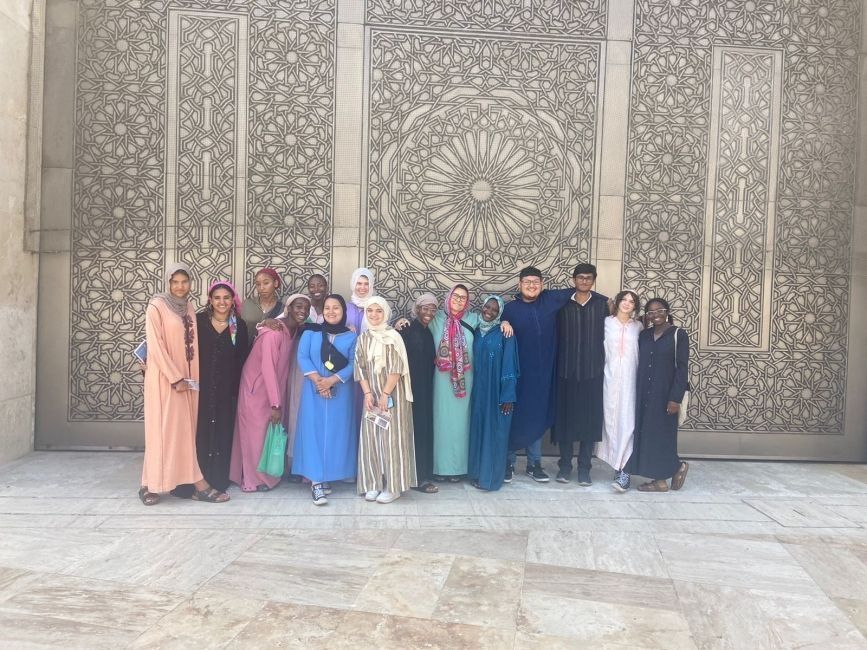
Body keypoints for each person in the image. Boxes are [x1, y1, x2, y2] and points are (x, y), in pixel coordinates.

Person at [140, 263, 229, 505]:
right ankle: (148, 484)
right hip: (165, 381)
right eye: (175, 281)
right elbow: (155, 345)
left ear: (191, 283)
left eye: (184, 281)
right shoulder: (156, 306)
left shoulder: (188, 307)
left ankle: (194, 482)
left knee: (185, 433)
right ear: (168, 283)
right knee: (162, 430)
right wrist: (174, 377)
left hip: (189, 382)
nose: (180, 286)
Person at [173, 281, 249, 499]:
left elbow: (242, 359)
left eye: (226, 297)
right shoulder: (197, 322)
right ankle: (191, 482)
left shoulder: (239, 326)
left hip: (226, 390)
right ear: (210, 300)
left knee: (222, 433)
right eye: (217, 298)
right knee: (198, 432)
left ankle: (216, 479)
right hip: (200, 388)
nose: (222, 302)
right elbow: (182, 350)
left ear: (232, 300)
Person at [501, 266, 573, 483]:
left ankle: (535, 464)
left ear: (542, 285)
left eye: (536, 282)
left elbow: (581, 287)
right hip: (518, 375)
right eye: (527, 282)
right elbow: (495, 325)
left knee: (537, 418)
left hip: (543, 376)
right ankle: (508, 463)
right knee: (513, 417)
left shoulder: (550, 301)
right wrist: (503, 322)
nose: (531, 286)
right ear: (519, 285)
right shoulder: (510, 309)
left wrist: (608, 302)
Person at [293, 294, 359, 505]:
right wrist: (319, 382)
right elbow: (303, 357)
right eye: (328, 308)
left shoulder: (351, 337)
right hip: (314, 391)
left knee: (335, 434)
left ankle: (329, 474)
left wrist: (331, 381)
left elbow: (353, 363)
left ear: (343, 312)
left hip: (340, 392)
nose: (331, 311)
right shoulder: (311, 332)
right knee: (314, 433)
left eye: (336, 308)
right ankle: (316, 482)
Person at [354, 297, 417, 503]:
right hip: (371, 396)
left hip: (392, 397)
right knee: (371, 438)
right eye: (370, 310)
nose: (373, 315)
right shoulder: (363, 337)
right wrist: (367, 393)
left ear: (386, 313)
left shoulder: (392, 337)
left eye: (378, 311)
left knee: (392, 441)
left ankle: (393, 486)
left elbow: (396, 368)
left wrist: (385, 394)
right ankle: (372, 483)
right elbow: (359, 367)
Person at [229, 295, 295, 492]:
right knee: (255, 435)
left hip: (271, 391)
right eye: (298, 307)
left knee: (265, 433)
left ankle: (264, 475)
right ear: (288, 309)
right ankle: (254, 480)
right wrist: (276, 404)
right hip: (256, 390)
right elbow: (267, 368)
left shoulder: (289, 330)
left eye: (306, 308)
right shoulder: (273, 334)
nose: (302, 311)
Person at [552, 264, 609, 486]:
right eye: (580, 277)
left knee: (589, 423)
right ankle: (565, 466)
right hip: (565, 372)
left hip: (592, 373)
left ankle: (585, 469)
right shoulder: (562, 303)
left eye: (588, 278)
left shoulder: (602, 304)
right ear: (573, 279)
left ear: (593, 280)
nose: (584, 281)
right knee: (565, 422)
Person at [626, 297, 690, 492]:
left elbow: (682, 368)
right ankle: (660, 479)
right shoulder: (644, 335)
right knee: (648, 434)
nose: (655, 315)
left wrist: (675, 398)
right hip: (644, 392)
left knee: (663, 435)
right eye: (651, 313)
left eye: (659, 311)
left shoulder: (679, 334)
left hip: (665, 394)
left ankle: (671, 471)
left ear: (667, 311)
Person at [467, 296, 519, 491]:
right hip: (478, 392)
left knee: (494, 435)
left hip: (496, 394)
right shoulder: (477, 331)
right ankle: (476, 473)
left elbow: (509, 366)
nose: (489, 311)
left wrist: (507, 396)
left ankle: (489, 480)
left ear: (500, 313)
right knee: (479, 432)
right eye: (487, 307)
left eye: (494, 309)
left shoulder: (505, 333)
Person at [595, 290, 642, 492]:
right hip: (609, 379)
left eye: (632, 301)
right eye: (624, 299)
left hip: (632, 382)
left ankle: (625, 470)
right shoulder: (605, 323)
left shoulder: (639, 327)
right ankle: (616, 464)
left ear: (635, 306)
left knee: (628, 423)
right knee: (611, 421)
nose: (627, 303)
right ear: (617, 302)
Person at [399, 293, 439, 494]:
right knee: (413, 433)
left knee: (422, 432)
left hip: (424, 391)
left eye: (433, 309)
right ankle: (415, 478)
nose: (429, 313)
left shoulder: (427, 333)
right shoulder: (406, 330)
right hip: (409, 391)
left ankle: (422, 474)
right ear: (417, 309)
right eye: (425, 308)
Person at [239, 268, 284, 343]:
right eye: (258, 284)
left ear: (275, 283)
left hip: (271, 352)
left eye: (266, 283)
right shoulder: (247, 304)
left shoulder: (283, 308)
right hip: (247, 352)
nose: (261, 288)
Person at [346, 267, 375, 333]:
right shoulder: (345, 308)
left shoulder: (377, 307)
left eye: (366, 284)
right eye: (359, 283)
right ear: (353, 284)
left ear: (371, 286)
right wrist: (345, 329)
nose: (362, 287)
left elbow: (385, 328)